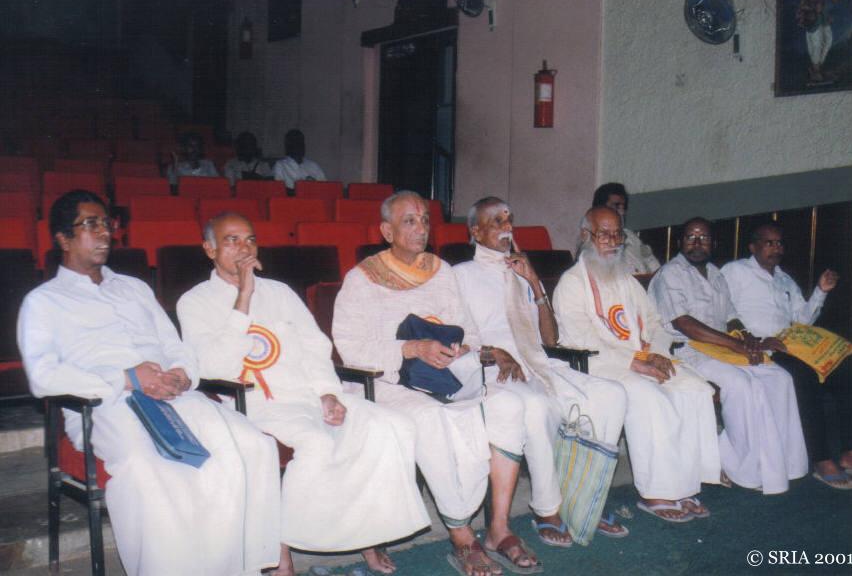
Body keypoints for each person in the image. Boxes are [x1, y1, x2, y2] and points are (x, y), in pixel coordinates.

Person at [17, 190, 281, 576]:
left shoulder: (134, 288)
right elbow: (43, 377)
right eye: (90, 224)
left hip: (173, 396)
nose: (104, 232)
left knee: (253, 445)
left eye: (106, 223)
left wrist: (181, 372)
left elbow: (175, 346)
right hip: (105, 405)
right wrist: (126, 378)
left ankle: (240, 566)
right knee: (155, 470)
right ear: (63, 238)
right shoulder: (44, 301)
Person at [177, 212, 430, 576]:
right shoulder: (194, 302)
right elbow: (214, 367)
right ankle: (279, 547)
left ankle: (368, 535)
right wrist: (244, 297)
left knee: (392, 425)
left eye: (250, 239)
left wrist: (328, 393)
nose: (244, 248)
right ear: (209, 249)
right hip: (254, 402)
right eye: (232, 240)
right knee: (317, 443)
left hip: (309, 394)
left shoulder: (280, 293)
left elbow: (315, 347)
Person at [333, 191, 547, 576]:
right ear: (387, 231)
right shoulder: (362, 278)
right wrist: (412, 348)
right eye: (409, 221)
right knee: (434, 419)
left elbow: (470, 332)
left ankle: (498, 529)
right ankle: (462, 536)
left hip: (447, 375)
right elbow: (350, 348)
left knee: (509, 405)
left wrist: (460, 348)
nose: (421, 228)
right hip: (388, 382)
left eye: (425, 220)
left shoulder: (441, 271)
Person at [454, 196, 630, 538]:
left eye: (509, 220)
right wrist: (493, 352)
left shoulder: (520, 273)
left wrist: (534, 282)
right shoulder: (461, 276)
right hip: (496, 368)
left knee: (611, 394)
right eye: (497, 221)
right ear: (475, 232)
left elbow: (550, 339)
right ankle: (548, 508)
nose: (507, 227)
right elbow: (458, 338)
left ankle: (585, 497)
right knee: (537, 406)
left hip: (538, 362)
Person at [553, 207, 721, 523]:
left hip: (641, 358)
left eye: (618, 234)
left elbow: (655, 322)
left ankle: (683, 485)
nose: (613, 241)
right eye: (604, 234)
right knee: (650, 397)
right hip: (599, 365)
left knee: (695, 388)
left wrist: (655, 353)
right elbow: (580, 340)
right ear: (586, 236)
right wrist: (635, 361)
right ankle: (656, 492)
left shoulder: (625, 280)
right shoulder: (572, 283)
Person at [648, 217, 808, 494]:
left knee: (779, 378)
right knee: (741, 384)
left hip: (721, 347)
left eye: (704, 238)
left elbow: (731, 315)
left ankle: (781, 464)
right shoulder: (670, 274)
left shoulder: (715, 273)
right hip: (686, 350)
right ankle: (740, 467)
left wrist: (747, 338)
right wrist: (735, 345)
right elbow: (684, 324)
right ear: (680, 242)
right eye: (691, 237)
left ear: (713, 243)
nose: (697, 243)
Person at [721, 221, 852, 490]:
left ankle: (851, 450)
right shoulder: (735, 271)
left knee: (848, 368)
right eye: (769, 242)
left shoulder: (784, 279)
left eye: (779, 243)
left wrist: (820, 291)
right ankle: (821, 459)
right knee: (804, 376)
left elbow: (802, 320)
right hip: (759, 347)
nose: (776, 248)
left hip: (793, 344)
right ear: (752, 246)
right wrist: (752, 339)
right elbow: (724, 309)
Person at [592, 183, 661, 274]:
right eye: (616, 206)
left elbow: (655, 267)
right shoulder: (593, 240)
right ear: (601, 208)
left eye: (623, 207)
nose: (622, 212)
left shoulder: (630, 236)